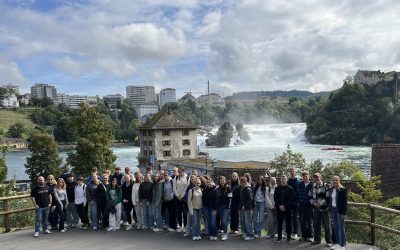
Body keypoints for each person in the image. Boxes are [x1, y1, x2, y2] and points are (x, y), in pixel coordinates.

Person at [311, 173, 332, 247]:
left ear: (321, 177)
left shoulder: (326, 186)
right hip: (315, 210)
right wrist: (314, 203)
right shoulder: (313, 186)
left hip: (324, 210)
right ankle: (317, 240)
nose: (316, 178)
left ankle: (328, 241)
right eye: (315, 177)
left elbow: (328, 197)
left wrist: (320, 203)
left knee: (326, 226)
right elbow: (310, 196)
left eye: (317, 177)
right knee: (316, 225)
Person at [274, 175, 294, 243]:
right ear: (280, 180)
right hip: (279, 208)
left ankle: (288, 238)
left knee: (288, 224)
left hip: (287, 209)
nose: (283, 180)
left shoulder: (290, 188)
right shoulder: (277, 188)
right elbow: (275, 198)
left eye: (284, 179)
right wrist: (280, 206)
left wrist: (284, 206)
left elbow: (291, 199)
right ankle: (279, 237)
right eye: (282, 179)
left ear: (286, 180)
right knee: (279, 223)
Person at [330, 176, 348, 250]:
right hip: (333, 209)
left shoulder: (343, 190)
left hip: (340, 211)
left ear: (339, 180)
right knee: (336, 228)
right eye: (333, 180)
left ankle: (342, 245)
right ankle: (338, 243)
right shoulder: (331, 189)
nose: (335, 181)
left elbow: (344, 203)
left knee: (341, 228)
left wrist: (343, 213)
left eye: (336, 180)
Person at [297, 171, 313, 242]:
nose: (305, 178)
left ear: (309, 176)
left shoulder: (312, 185)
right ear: (302, 177)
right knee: (302, 222)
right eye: (303, 177)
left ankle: (310, 236)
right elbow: (297, 194)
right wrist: (298, 202)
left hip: (309, 206)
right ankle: (304, 236)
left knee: (310, 222)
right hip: (301, 206)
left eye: (306, 176)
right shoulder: (300, 184)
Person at [173, 167, 190, 232]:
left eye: (180, 171)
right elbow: (174, 187)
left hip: (184, 198)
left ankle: (185, 226)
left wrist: (182, 196)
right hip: (177, 198)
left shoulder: (187, 178)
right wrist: (177, 196)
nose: (179, 173)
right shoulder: (176, 177)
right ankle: (180, 226)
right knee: (178, 213)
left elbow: (187, 188)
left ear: (184, 171)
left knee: (185, 213)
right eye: (179, 171)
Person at [240, 176, 255, 240]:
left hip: (248, 208)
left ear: (244, 182)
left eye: (241, 182)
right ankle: (247, 233)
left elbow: (250, 199)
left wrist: (245, 206)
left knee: (248, 222)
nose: (240, 184)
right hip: (245, 208)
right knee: (245, 221)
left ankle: (251, 235)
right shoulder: (244, 188)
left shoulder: (248, 189)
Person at [216, 176, 231, 241]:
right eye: (221, 181)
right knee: (222, 220)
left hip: (225, 207)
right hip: (219, 207)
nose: (222, 182)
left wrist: (229, 207)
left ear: (225, 181)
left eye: (223, 181)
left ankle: (225, 234)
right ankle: (224, 232)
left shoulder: (228, 188)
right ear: (219, 181)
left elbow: (230, 199)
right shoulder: (217, 188)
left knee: (224, 221)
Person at [288, 167, 300, 239]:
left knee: (295, 218)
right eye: (291, 171)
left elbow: (299, 192)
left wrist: (298, 201)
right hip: (288, 203)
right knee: (288, 218)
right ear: (289, 172)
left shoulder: (298, 181)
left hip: (296, 203)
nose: (292, 172)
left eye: (293, 171)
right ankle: (288, 232)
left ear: (295, 172)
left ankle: (295, 233)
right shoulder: (288, 181)